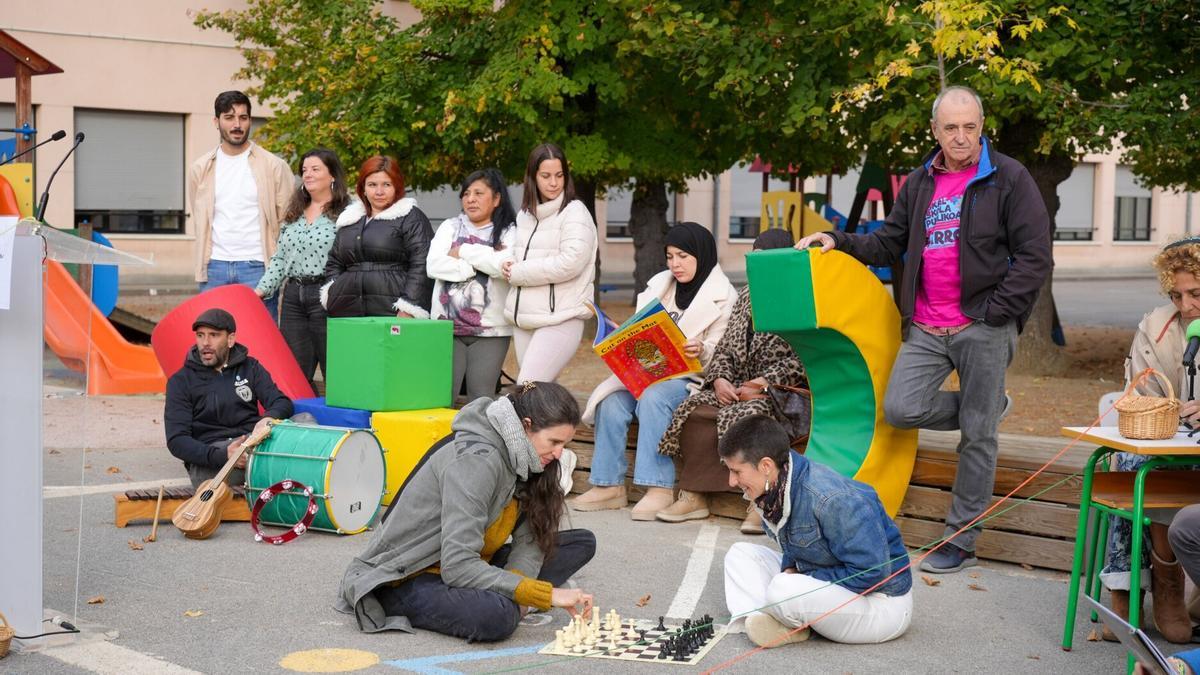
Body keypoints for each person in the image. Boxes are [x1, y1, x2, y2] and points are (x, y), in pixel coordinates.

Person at [795, 85, 1053, 574]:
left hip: (982, 326)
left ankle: (961, 539)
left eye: (970, 127)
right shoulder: (919, 182)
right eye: (951, 128)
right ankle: (987, 406)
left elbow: (1035, 256)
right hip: (927, 327)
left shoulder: (1009, 179)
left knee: (978, 436)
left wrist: (997, 312)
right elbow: (889, 243)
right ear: (935, 130)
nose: (961, 137)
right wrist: (837, 239)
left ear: (982, 127)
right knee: (900, 407)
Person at [337, 381, 597, 642]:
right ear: (526, 425)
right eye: (554, 442)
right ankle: (488, 601)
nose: (559, 453)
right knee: (496, 616)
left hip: (469, 557)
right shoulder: (478, 461)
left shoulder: (528, 453)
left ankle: (502, 595)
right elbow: (458, 565)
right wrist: (541, 594)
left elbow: (531, 540)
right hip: (411, 571)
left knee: (582, 542)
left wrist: (519, 586)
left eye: (564, 444)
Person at [571, 222, 736, 520]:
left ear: (702, 254)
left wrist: (702, 349)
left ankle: (658, 488)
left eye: (683, 256)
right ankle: (609, 485)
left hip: (691, 379)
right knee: (611, 402)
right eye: (670, 256)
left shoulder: (725, 296)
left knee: (654, 397)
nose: (675, 264)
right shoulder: (659, 285)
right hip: (647, 371)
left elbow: (726, 354)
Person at [656, 228, 807, 531]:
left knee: (749, 415)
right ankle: (695, 496)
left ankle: (760, 502)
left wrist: (764, 382)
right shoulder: (747, 296)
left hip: (779, 392)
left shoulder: (800, 296)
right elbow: (726, 348)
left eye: (768, 259)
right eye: (756, 258)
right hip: (739, 386)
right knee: (696, 410)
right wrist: (720, 380)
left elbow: (804, 359)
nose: (759, 265)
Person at [721, 415, 913, 646]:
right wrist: (795, 575)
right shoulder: (776, 485)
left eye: (737, 471)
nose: (732, 481)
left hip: (880, 604)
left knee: (783, 588)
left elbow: (871, 573)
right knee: (740, 554)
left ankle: (786, 619)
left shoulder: (833, 500)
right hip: (830, 584)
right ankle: (765, 620)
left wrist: (801, 577)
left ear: (765, 466)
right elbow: (793, 544)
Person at [1100, 236, 1200, 643]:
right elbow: (1143, 398)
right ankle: (1150, 584)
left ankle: (1141, 587)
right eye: (1176, 295)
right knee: (1138, 464)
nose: (1185, 306)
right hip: (1174, 442)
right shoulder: (1157, 326)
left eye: (1195, 293)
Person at [190, 90, 294, 322]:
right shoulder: (201, 168)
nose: (237, 124)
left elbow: (287, 220)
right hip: (213, 267)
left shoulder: (274, 166)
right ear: (216, 122)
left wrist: (277, 269)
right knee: (212, 342)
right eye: (229, 117)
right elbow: (200, 218)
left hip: (258, 267)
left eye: (243, 117)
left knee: (260, 343)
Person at [164, 308, 294, 489]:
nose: (205, 343)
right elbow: (177, 440)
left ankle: (272, 468)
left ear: (230, 339)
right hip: (213, 459)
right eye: (200, 335)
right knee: (207, 475)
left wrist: (268, 419)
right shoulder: (181, 381)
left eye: (214, 335)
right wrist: (223, 454)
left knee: (306, 421)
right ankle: (282, 470)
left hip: (253, 443)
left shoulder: (251, 367)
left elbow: (282, 402)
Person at [501, 143, 598, 383]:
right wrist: (509, 263)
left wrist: (519, 271)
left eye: (559, 175)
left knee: (528, 387)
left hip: (562, 316)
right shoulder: (524, 215)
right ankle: (559, 422)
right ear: (532, 177)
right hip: (525, 317)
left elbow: (571, 262)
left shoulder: (575, 212)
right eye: (546, 176)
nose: (553, 183)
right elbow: (521, 255)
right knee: (540, 395)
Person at [254, 148, 350, 389]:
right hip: (294, 297)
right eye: (304, 170)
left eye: (315, 169)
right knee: (295, 370)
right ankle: (300, 421)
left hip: (328, 294)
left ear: (332, 176)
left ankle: (339, 423)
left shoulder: (349, 212)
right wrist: (261, 291)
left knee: (336, 367)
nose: (307, 175)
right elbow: (280, 258)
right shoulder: (294, 212)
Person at [427, 168, 517, 402]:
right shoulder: (450, 226)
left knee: (481, 399)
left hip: (491, 330)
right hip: (446, 329)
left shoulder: (510, 232)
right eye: (466, 193)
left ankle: (477, 440)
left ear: (496, 199)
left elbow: (503, 266)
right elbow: (434, 265)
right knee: (440, 398)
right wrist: (471, 268)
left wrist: (463, 251)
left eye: (479, 193)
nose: (471, 199)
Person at [323, 155, 435, 318]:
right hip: (348, 311)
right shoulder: (349, 219)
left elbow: (421, 263)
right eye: (372, 185)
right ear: (363, 188)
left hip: (393, 312)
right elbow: (335, 261)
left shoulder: (411, 217)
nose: (379, 191)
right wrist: (333, 294)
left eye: (386, 184)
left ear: (396, 187)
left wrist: (409, 307)